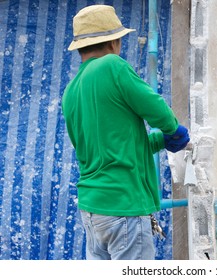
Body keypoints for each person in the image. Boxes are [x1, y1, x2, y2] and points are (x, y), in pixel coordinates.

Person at [62, 5, 190, 260]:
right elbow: (155, 106)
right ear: (113, 43)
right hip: (123, 206)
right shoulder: (112, 66)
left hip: (93, 211)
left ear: (80, 48)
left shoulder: (71, 91)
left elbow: (108, 146)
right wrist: (174, 130)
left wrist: (161, 141)